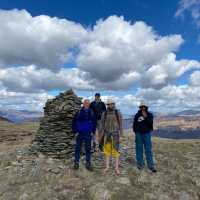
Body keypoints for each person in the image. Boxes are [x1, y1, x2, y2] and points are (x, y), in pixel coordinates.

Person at [99, 98, 123, 175]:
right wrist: (100, 135)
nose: (110, 105)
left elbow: (121, 125)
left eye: (111, 104)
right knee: (107, 152)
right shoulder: (104, 113)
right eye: (108, 104)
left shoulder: (117, 112)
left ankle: (116, 168)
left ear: (114, 104)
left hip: (115, 134)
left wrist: (121, 136)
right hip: (107, 135)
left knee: (115, 151)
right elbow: (101, 125)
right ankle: (107, 167)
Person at [72, 99, 96, 171]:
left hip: (88, 134)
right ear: (83, 104)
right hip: (80, 133)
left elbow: (94, 123)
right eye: (85, 103)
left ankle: (88, 163)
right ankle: (76, 163)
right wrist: (75, 131)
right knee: (77, 148)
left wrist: (93, 132)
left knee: (88, 149)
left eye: (88, 103)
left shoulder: (91, 112)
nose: (86, 104)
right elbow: (74, 122)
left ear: (89, 104)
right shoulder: (79, 112)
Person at [133, 102, 157, 173]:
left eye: (144, 107)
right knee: (139, 149)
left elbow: (150, 123)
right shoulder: (137, 115)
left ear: (146, 107)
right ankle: (140, 164)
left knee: (148, 149)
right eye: (141, 107)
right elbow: (134, 124)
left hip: (147, 133)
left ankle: (151, 165)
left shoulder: (150, 114)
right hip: (138, 134)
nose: (143, 108)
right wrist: (136, 131)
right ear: (139, 108)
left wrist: (146, 117)